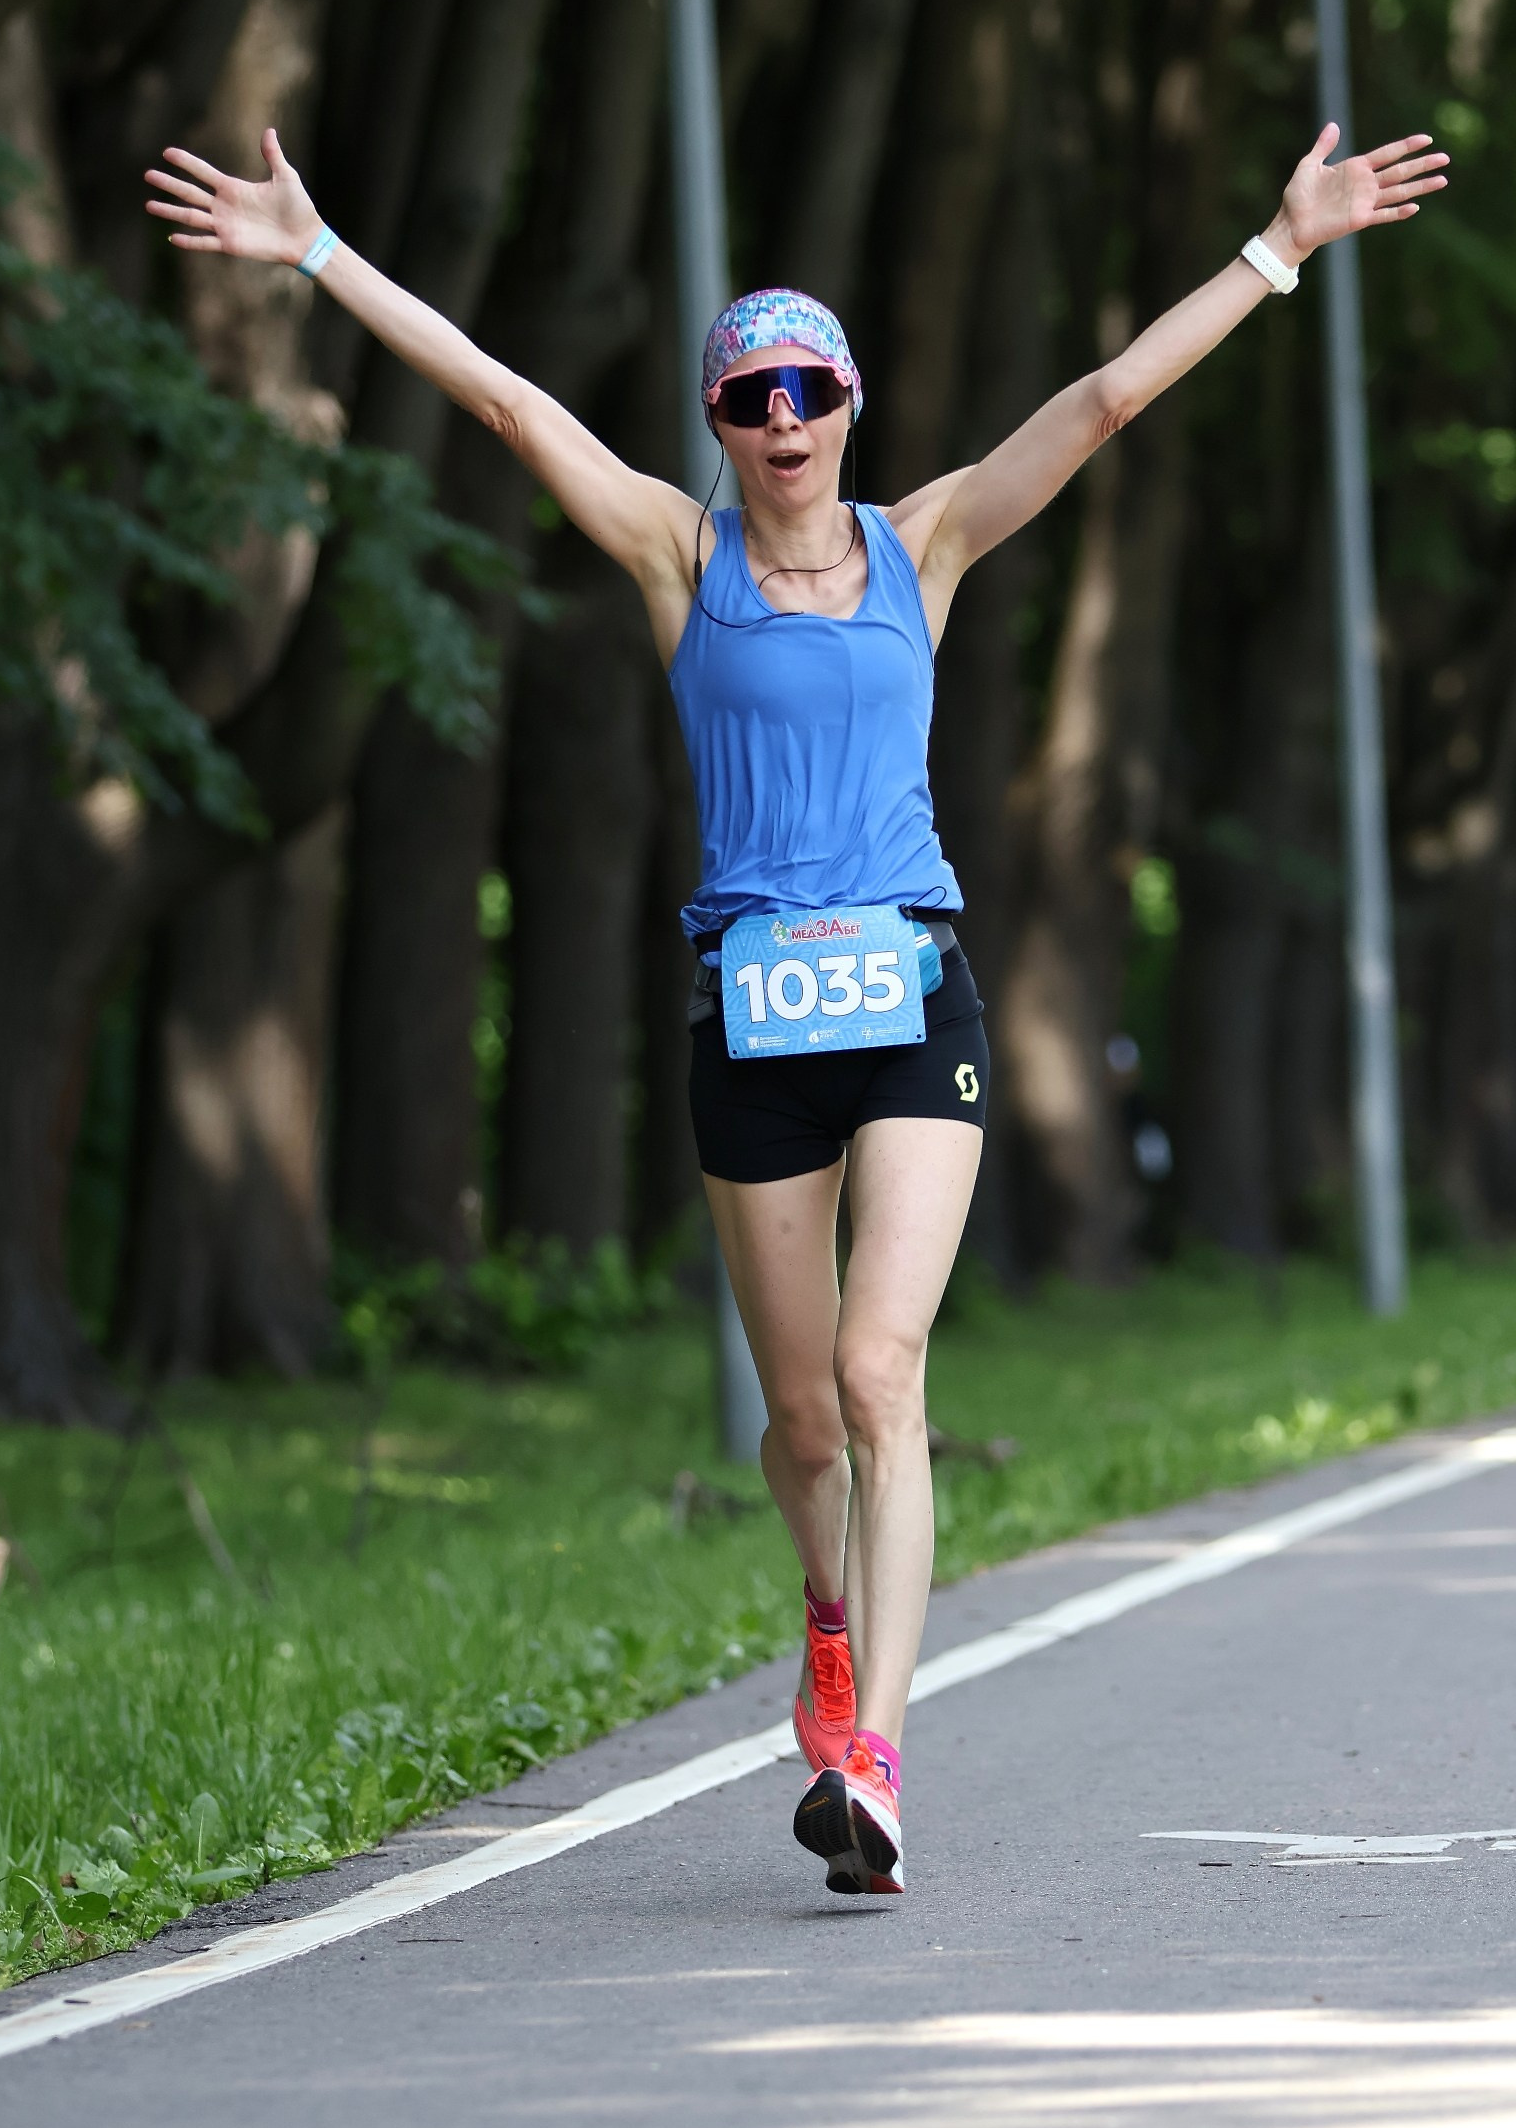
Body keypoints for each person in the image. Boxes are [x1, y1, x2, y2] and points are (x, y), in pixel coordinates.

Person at [146, 115, 1447, 1898]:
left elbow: (1107, 398)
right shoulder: (683, 560)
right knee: (804, 1426)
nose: (780, 424)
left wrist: (1279, 247)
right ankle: (826, 1612)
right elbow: (511, 403)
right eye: (747, 397)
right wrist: (312, 255)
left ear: (848, 403)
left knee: (879, 1366)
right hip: (751, 1026)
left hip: (912, 992)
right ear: (719, 425)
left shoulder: (929, 542)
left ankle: (881, 1758)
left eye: (806, 392)